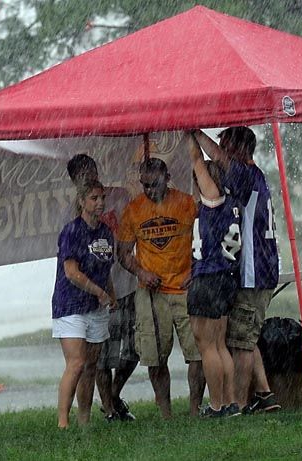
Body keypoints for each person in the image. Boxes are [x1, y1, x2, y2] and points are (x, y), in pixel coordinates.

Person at [192, 127, 281, 414]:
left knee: (240, 343)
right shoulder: (255, 177)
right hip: (258, 270)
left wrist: (194, 132)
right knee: (245, 336)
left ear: (236, 148)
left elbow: (216, 157)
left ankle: (240, 403)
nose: (221, 152)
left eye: (226, 145)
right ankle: (264, 393)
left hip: (255, 272)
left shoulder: (245, 174)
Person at [117, 157, 204, 419]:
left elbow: (210, 235)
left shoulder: (187, 203)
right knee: (155, 357)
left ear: (167, 178)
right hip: (151, 293)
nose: (149, 191)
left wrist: (196, 268)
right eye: (145, 185)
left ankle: (194, 410)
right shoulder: (134, 210)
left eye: (154, 184)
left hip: (185, 288)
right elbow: (122, 253)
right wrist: (142, 271)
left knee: (198, 353)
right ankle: (166, 414)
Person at [66, 154, 139, 422]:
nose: (88, 177)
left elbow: (132, 231)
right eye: (82, 175)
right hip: (96, 293)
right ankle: (109, 408)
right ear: (74, 181)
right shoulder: (73, 212)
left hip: (127, 281)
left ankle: (115, 395)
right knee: (101, 356)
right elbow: (71, 260)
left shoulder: (118, 195)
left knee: (135, 349)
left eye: (91, 171)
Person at [51, 179, 117, 429]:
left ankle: (84, 420)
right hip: (70, 305)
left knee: (91, 366)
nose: (100, 203)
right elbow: (71, 272)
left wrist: (111, 293)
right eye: (94, 198)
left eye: (102, 198)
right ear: (81, 201)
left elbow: (105, 268)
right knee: (76, 363)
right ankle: (63, 422)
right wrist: (98, 291)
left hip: (96, 307)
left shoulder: (106, 232)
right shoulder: (71, 231)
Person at [185, 132, 242, 417]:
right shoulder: (231, 200)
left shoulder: (213, 198)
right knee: (219, 344)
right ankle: (230, 401)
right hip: (224, 277)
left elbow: (197, 159)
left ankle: (218, 404)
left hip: (208, 276)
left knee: (206, 345)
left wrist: (189, 130)